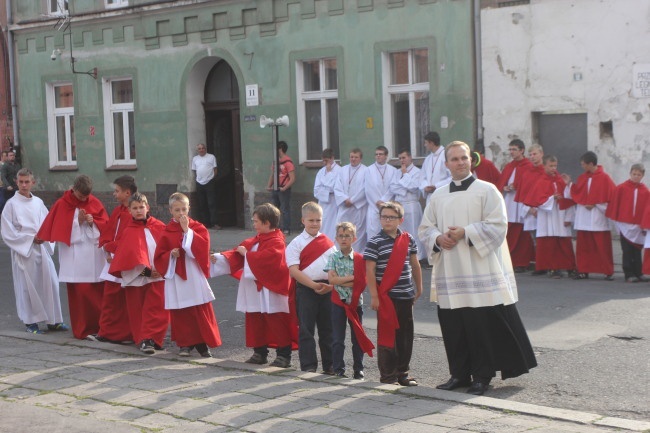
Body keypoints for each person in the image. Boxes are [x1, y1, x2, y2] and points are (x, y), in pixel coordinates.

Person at [418, 141, 537, 396]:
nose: (460, 162)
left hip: (479, 270)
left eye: (464, 158)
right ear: (446, 164)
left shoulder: (487, 190)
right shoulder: (438, 195)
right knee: (454, 326)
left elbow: (498, 226)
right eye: (454, 159)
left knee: (480, 326)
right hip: (450, 270)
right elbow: (425, 228)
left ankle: (482, 376)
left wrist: (466, 232)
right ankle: (459, 374)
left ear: (471, 161)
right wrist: (438, 239)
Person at [211, 203, 294, 367]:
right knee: (255, 318)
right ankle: (259, 352)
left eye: (256, 221)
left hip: (270, 289)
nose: (253, 224)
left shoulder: (277, 242)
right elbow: (237, 253)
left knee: (275, 320)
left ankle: (284, 355)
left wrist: (247, 255)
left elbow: (268, 260)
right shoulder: (255, 239)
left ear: (267, 223)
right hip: (254, 288)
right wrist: (220, 257)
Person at [36, 174, 109, 340]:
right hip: (74, 258)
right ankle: (82, 329)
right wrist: (78, 222)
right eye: (81, 195)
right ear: (74, 189)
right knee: (80, 294)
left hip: (93, 257)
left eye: (86, 196)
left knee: (97, 293)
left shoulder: (94, 202)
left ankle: (100, 328)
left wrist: (92, 222)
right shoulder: (62, 204)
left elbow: (105, 225)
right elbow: (60, 228)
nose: (84, 199)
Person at [153, 192, 221, 357]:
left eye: (184, 209)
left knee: (198, 308)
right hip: (176, 275)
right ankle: (185, 344)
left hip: (192, 273)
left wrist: (187, 231)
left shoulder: (197, 228)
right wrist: (171, 254)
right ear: (170, 211)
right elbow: (159, 256)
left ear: (189, 208)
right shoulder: (166, 231)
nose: (181, 213)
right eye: (177, 210)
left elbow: (203, 249)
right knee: (181, 310)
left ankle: (202, 343)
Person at [1, 168, 67, 334]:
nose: (24, 185)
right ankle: (31, 322)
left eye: (27, 182)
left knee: (50, 283)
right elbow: (8, 232)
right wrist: (30, 239)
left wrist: (44, 236)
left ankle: (54, 320)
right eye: (21, 182)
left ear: (33, 183)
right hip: (24, 251)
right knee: (27, 286)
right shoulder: (11, 205)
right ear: (16, 182)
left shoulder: (38, 202)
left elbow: (47, 223)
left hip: (41, 248)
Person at [364, 201, 423, 386]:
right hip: (387, 297)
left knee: (405, 337)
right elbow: (370, 271)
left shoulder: (409, 239)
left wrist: (419, 287)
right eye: (384, 217)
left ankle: (402, 373)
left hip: (406, 295)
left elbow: (415, 264)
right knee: (387, 338)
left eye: (391, 217)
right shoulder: (374, 242)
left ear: (400, 220)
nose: (387, 220)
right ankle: (388, 376)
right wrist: (374, 296)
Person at [109, 193, 170, 354]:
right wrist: (147, 272)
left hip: (158, 276)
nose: (138, 211)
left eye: (141, 207)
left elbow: (167, 250)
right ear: (129, 210)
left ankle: (153, 339)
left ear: (147, 207)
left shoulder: (159, 226)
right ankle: (144, 340)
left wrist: (161, 268)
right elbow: (127, 259)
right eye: (134, 208)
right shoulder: (129, 231)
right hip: (139, 278)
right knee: (139, 311)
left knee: (158, 310)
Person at [286, 202, 336, 373]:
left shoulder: (328, 243)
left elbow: (334, 267)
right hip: (306, 290)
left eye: (318, 220)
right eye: (311, 220)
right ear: (303, 220)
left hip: (327, 290)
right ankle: (308, 366)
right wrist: (313, 285)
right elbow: (293, 270)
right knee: (306, 330)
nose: (315, 224)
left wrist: (331, 285)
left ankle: (330, 365)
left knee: (328, 329)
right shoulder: (296, 243)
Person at [325, 221, 374, 379]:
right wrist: (352, 278)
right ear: (336, 238)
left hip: (355, 303)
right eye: (341, 236)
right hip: (338, 302)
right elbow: (331, 281)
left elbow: (360, 282)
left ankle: (358, 368)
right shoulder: (333, 257)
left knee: (357, 337)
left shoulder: (360, 259)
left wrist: (342, 279)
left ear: (354, 238)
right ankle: (339, 368)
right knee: (338, 338)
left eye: (347, 236)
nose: (344, 239)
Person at [94, 175, 137, 344]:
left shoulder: (132, 212)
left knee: (121, 299)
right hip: (113, 258)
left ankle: (120, 333)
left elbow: (130, 238)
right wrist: (106, 245)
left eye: (117, 191)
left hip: (124, 260)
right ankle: (107, 331)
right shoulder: (119, 210)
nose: (114, 194)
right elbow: (109, 229)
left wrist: (111, 248)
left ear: (127, 193)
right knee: (111, 298)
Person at [521, 155, 576, 278]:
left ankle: (569, 267)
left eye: (555, 166)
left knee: (564, 242)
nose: (553, 168)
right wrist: (552, 198)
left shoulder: (560, 180)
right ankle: (552, 267)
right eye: (550, 166)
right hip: (547, 217)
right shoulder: (541, 181)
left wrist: (567, 185)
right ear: (544, 166)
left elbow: (568, 197)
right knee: (549, 243)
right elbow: (539, 200)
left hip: (560, 215)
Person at [564, 151, 616, 280]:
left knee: (602, 247)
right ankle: (583, 270)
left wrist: (596, 204)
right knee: (584, 247)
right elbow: (575, 192)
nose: (582, 167)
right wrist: (568, 184)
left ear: (591, 164)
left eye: (583, 164)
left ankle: (607, 271)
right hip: (584, 217)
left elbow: (612, 198)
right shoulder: (583, 178)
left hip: (598, 218)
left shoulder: (605, 178)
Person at [382, 149, 428, 265]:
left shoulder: (418, 172)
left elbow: (414, 187)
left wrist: (405, 175)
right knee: (400, 232)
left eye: (404, 157)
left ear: (410, 158)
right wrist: (404, 186)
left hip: (412, 205)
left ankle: (417, 256)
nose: (402, 160)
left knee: (414, 231)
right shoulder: (397, 172)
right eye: (400, 158)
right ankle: (402, 255)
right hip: (400, 204)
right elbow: (393, 187)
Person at [496, 139, 534, 272]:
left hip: (521, 202)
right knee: (510, 231)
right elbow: (501, 182)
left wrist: (516, 186)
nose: (511, 152)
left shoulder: (528, 165)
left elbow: (529, 182)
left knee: (522, 233)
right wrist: (505, 187)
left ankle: (522, 262)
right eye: (510, 149)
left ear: (522, 150)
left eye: (514, 149)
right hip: (509, 202)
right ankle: (509, 260)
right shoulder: (509, 166)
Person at [606, 164, 648, 283]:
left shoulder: (645, 191)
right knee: (627, 250)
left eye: (638, 175)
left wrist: (645, 224)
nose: (636, 176)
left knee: (638, 249)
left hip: (638, 226)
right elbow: (615, 205)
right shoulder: (621, 188)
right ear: (630, 173)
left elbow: (646, 208)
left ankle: (639, 272)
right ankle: (628, 273)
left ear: (642, 176)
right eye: (634, 174)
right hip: (624, 225)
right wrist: (617, 221)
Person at [516, 144, 546, 275]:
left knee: (546, 239)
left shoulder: (546, 171)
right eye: (531, 155)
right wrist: (529, 208)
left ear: (541, 154)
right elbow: (523, 192)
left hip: (545, 210)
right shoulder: (527, 173)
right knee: (535, 240)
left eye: (535, 154)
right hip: (530, 211)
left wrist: (540, 207)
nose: (532, 157)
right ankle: (540, 265)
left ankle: (547, 265)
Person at [334, 148, 368, 252]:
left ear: (360, 158)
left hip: (358, 208)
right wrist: (344, 199)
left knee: (357, 232)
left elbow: (365, 188)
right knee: (340, 229)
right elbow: (337, 187)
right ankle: (340, 254)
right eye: (351, 157)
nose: (353, 159)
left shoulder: (366, 170)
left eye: (356, 157)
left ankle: (356, 255)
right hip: (344, 206)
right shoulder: (342, 170)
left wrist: (352, 200)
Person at [364, 146, 397, 241]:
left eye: (381, 154)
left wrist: (383, 201)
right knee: (373, 232)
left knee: (388, 232)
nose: (378, 156)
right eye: (376, 154)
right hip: (374, 206)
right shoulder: (369, 170)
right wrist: (377, 202)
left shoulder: (393, 170)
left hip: (388, 206)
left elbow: (393, 188)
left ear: (386, 156)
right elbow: (368, 189)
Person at [266, 141, 295, 234]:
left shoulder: (288, 162)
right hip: (276, 188)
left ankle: (286, 229)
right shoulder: (275, 161)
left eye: (276, 148)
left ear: (280, 149)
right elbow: (273, 174)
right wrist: (269, 186)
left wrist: (285, 188)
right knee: (274, 209)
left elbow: (293, 178)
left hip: (283, 189)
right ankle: (275, 228)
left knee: (285, 209)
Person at [313, 148, 341, 241]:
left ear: (332, 158)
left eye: (327, 160)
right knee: (323, 222)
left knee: (332, 224)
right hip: (322, 202)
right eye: (323, 160)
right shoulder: (321, 171)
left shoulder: (339, 171)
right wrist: (326, 191)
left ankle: (331, 242)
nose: (325, 163)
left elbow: (334, 187)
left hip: (333, 202)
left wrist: (329, 174)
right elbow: (316, 189)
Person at [191, 143, 219, 229]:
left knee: (212, 203)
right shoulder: (195, 159)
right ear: (197, 150)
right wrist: (199, 179)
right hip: (199, 183)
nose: (201, 150)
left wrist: (211, 178)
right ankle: (205, 223)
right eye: (199, 149)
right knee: (202, 204)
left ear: (205, 149)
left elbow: (215, 169)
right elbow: (195, 170)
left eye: (203, 148)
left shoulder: (211, 157)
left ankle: (214, 223)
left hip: (209, 182)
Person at [420, 131, 451, 204]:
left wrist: (436, 186)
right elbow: (422, 177)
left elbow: (452, 177)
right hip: (430, 197)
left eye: (426, 143)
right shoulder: (428, 159)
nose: (425, 145)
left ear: (431, 143)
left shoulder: (446, 155)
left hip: (443, 196)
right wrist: (425, 187)